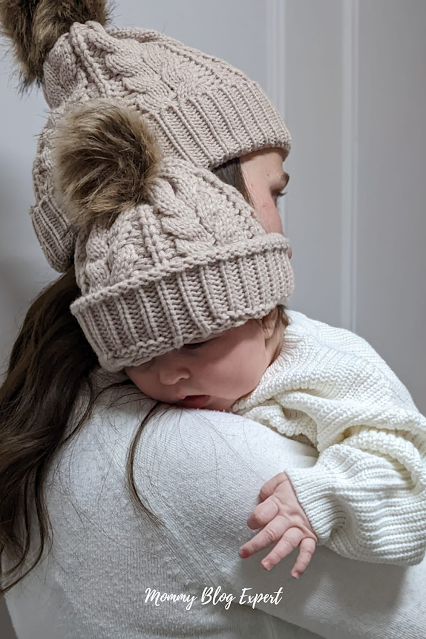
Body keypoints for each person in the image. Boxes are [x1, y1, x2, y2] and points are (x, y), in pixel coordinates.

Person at [1, 3, 426, 638]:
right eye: (272, 193)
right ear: (197, 206)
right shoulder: (205, 458)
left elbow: (400, 463)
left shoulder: (66, 414)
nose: (171, 372)